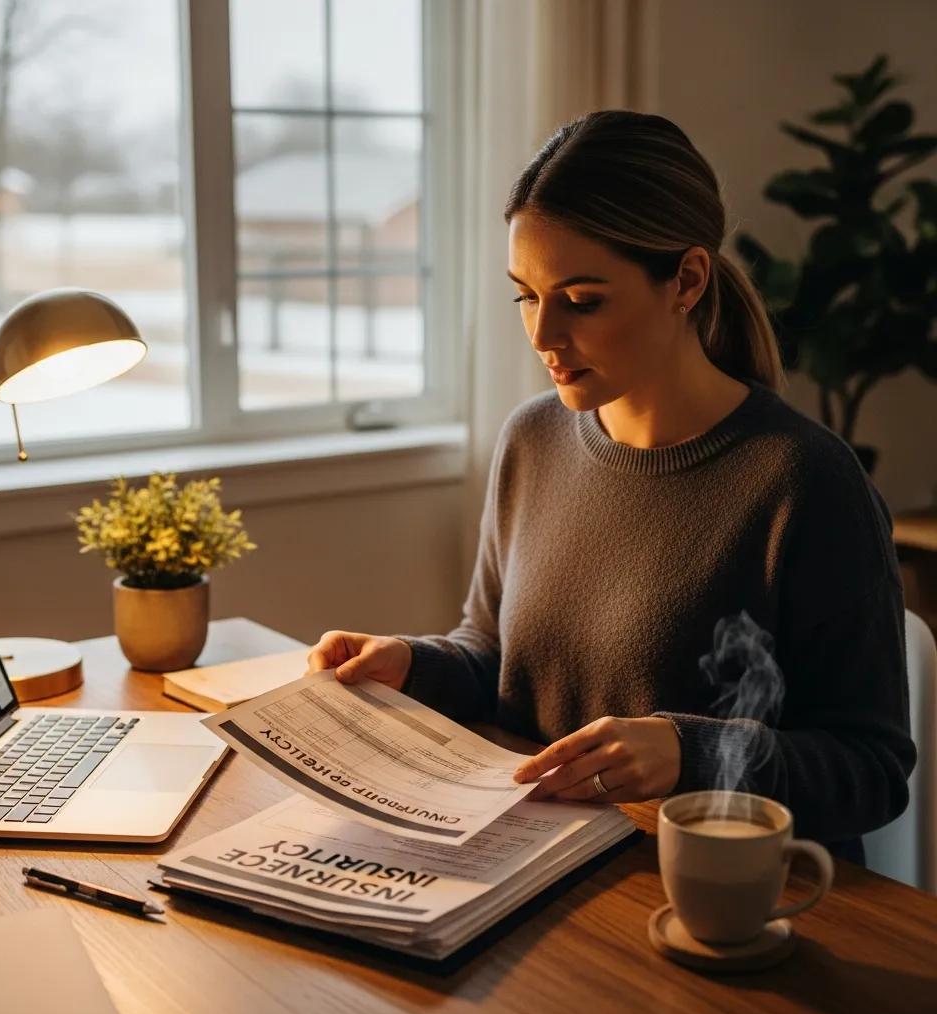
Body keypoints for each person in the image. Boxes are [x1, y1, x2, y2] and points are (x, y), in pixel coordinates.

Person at [306, 110, 915, 863]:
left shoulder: (802, 481)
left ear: (686, 280)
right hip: (548, 874)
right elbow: (495, 655)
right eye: (526, 295)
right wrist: (412, 663)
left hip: (732, 902)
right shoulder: (533, 440)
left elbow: (874, 772)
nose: (542, 335)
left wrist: (689, 755)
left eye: (582, 300)